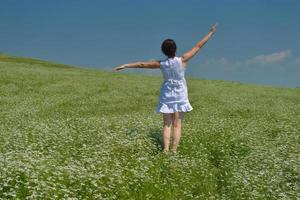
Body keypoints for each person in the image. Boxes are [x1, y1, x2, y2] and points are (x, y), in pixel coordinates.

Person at [113, 23, 217, 153]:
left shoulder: (161, 64)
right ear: (175, 49)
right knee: (177, 124)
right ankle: (173, 151)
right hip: (180, 94)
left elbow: (141, 64)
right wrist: (211, 33)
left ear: (163, 51)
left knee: (167, 124)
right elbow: (198, 46)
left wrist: (126, 65)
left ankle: (165, 149)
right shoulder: (183, 59)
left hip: (167, 93)